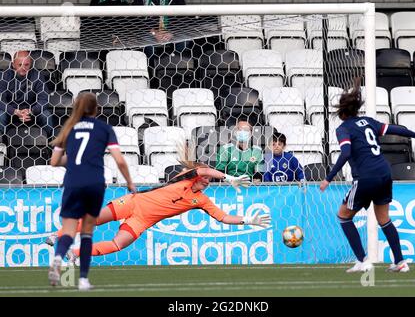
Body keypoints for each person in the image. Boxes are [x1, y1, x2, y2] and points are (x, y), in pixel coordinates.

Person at [46, 160, 269, 260]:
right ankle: (55, 237)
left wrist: (248, 219)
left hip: (142, 220)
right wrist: (229, 178)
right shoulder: (184, 178)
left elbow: (224, 217)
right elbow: (203, 169)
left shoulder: (201, 200)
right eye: (206, 178)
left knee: (117, 244)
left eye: (210, 180)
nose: (208, 181)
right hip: (133, 202)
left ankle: (73, 253)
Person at [319, 80, 415, 273]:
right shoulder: (369, 122)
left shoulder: (343, 129)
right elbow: (398, 130)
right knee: (384, 218)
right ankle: (400, 262)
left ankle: (363, 261)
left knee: (344, 216)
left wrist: (328, 178)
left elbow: (345, 153)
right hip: (385, 172)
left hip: (366, 176)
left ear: (341, 112)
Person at [48, 92, 136, 290]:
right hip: (94, 183)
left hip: (73, 182)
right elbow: (119, 159)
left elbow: (54, 162)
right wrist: (130, 182)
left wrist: (75, 161)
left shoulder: (68, 128)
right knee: (87, 233)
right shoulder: (104, 129)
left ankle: (58, 259)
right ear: (96, 108)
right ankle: (83, 280)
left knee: (69, 231)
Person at [0, 50, 54, 138]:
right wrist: (14, 111)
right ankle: (2, 145)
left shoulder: (37, 76)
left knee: (46, 115)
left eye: (26, 65)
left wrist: (31, 111)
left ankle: (51, 145)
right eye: (20, 65)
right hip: (10, 112)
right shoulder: (4, 76)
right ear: (13, 64)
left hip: (31, 113)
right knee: (0, 115)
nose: (23, 68)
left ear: (31, 64)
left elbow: (44, 99)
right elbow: (0, 101)